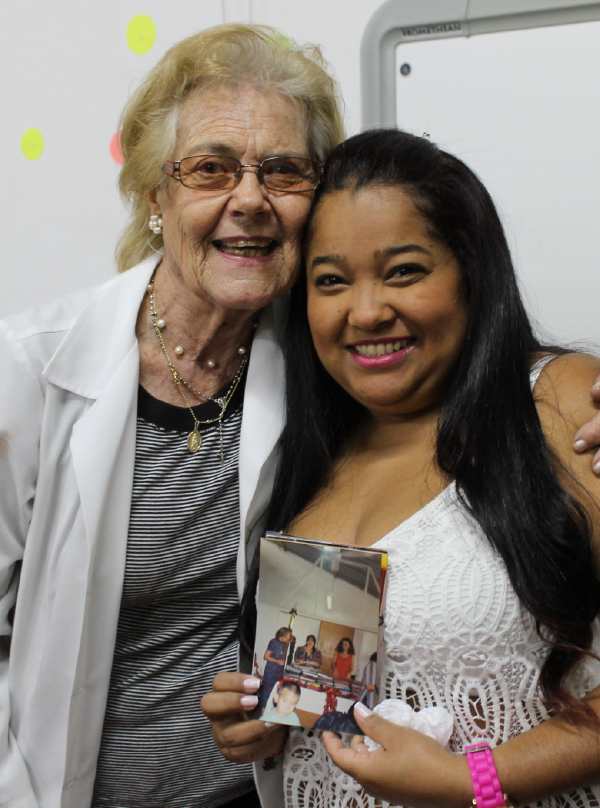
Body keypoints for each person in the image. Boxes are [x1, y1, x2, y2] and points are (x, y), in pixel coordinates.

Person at [0, 23, 344, 808]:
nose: (250, 200)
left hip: (261, 789)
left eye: (284, 171)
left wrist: (565, 387)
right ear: (157, 194)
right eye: (212, 169)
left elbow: (460, 353)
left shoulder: (326, 357)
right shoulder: (26, 370)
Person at [204, 130, 600, 808]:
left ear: (472, 272)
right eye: (331, 281)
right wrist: (265, 725)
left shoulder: (559, 403)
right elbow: (324, 709)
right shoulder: (311, 463)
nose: (366, 311)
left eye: (404, 271)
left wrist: (473, 781)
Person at [260, 627, 292, 711]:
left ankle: (271, 710)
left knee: (276, 691)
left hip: (279, 671)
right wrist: (277, 661)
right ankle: (263, 712)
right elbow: (266, 656)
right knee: (267, 691)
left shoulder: (284, 644)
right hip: (271, 670)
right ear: (283, 635)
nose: (289, 638)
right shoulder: (273, 642)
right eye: (288, 636)